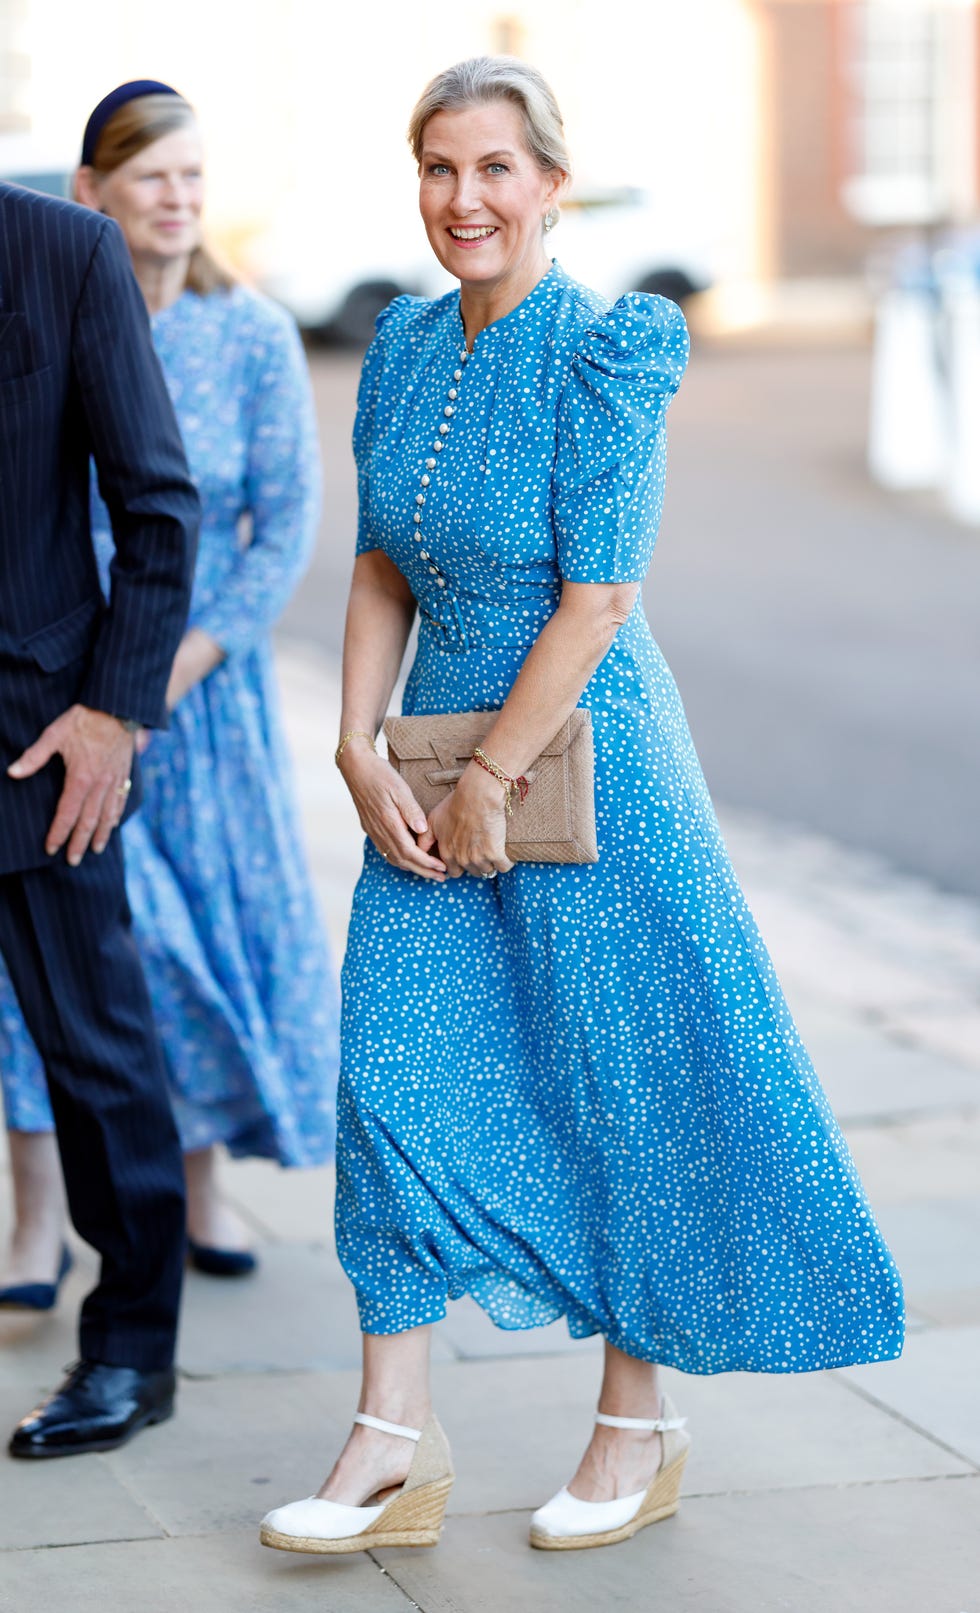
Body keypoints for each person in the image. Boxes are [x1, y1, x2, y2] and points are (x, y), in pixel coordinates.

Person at [259, 56, 905, 1557]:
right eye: (437, 169)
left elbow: (602, 595)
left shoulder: (609, 350)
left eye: (494, 169)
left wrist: (493, 776)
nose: (463, 199)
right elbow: (375, 568)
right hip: (428, 767)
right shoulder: (406, 345)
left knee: (619, 1080)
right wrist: (358, 745)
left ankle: (636, 1422)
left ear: (552, 180)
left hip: (587, 764)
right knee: (391, 1071)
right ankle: (389, 1441)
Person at [0, 81, 339, 1297]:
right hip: (57, 696)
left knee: (189, 958)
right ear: (91, 191)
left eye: (195, 177)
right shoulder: (49, 288)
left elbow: (281, 520)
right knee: (61, 964)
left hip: (197, 701)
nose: (179, 199)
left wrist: (175, 667)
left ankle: (197, 1184)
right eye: (154, 177)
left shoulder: (247, 333)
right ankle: (35, 1216)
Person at [0, 167, 199, 1455]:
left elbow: (160, 506)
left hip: (36, 743)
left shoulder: (67, 252)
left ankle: (131, 1352)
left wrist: (112, 716)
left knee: (97, 1055)